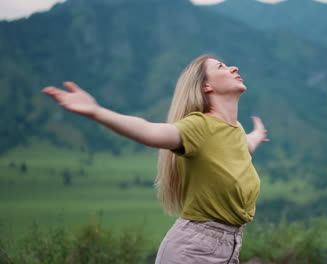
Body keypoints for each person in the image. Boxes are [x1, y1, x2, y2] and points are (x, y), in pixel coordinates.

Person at [42, 54, 269, 263]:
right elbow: (149, 132)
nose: (234, 67)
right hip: (194, 251)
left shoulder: (235, 130)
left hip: (229, 247)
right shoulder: (199, 126)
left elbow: (245, 146)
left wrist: (258, 134)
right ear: (206, 86)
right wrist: (95, 111)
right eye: (222, 66)